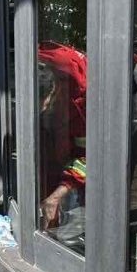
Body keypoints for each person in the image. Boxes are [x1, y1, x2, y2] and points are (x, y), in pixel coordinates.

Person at [37, 42, 89, 231]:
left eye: (42, 106)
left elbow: (88, 158)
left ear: (53, 91)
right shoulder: (36, 57)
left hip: (75, 156)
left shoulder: (84, 104)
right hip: (53, 145)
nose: (41, 110)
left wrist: (58, 194)